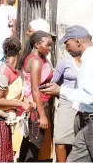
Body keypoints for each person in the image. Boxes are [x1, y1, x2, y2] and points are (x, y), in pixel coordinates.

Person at [41, 25, 93, 162]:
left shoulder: (89, 61)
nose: (66, 48)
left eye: (67, 44)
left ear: (77, 42)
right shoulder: (86, 59)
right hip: (85, 121)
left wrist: (61, 90)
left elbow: (89, 97)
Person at [0, 37, 33, 162]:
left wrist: (25, 100)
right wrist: (21, 103)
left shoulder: (13, 69)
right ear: (19, 52)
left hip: (6, 118)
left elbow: (10, 93)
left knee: (6, 156)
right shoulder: (5, 71)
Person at [18, 31, 53, 162]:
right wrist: (42, 115)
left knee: (28, 142)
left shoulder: (34, 58)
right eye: (47, 45)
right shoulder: (36, 61)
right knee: (34, 145)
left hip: (35, 105)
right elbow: (35, 89)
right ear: (37, 44)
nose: (50, 48)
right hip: (38, 106)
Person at [50, 49, 80, 162]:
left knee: (79, 142)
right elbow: (54, 83)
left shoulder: (89, 63)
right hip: (67, 104)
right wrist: (62, 98)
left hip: (85, 104)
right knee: (61, 140)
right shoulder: (65, 63)